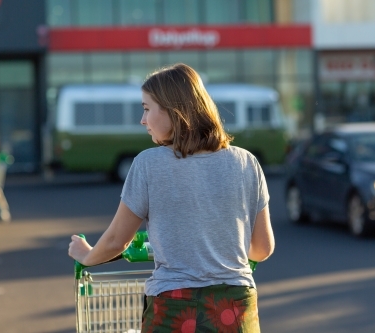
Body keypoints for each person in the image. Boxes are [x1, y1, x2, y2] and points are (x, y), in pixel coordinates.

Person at [68, 63, 275, 332]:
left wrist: (87, 256)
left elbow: (117, 240)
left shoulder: (149, 164)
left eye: (146, 108)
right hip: (235, 306)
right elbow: (262, 248)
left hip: (176, 307)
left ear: (173, 111)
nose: (142, 120)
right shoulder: (247, 162)